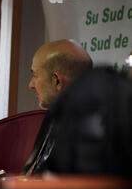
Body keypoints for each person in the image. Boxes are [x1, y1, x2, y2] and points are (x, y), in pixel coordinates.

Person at [22, 39, 93, 175]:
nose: (30, 85)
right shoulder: (53, 115)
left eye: (35, 75)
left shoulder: (92, 131)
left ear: (57, 81)